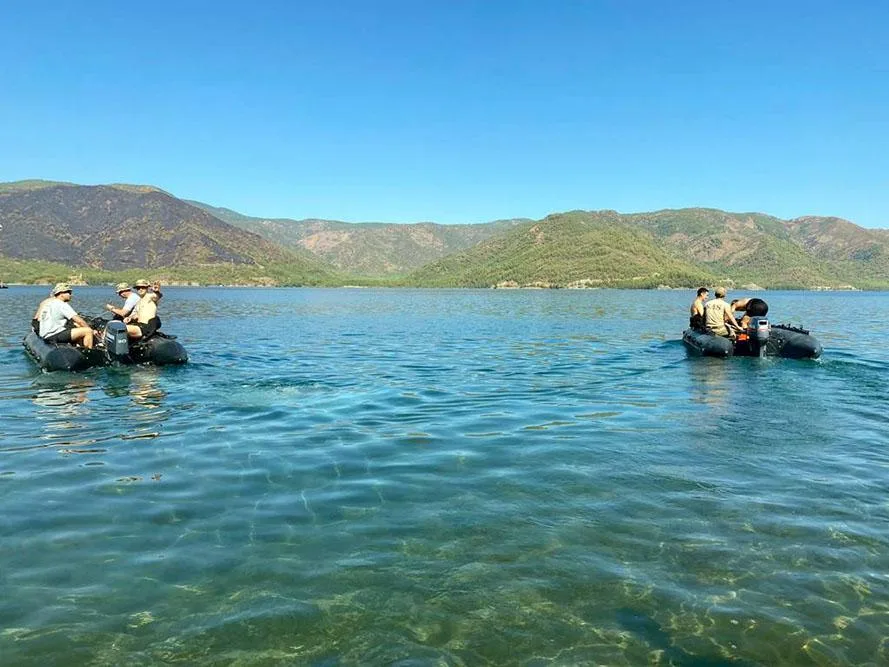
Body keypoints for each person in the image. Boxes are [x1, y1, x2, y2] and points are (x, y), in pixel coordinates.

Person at [38, 283, 97, 349]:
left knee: (78, 328)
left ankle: (78, 347)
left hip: (45, 335)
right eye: (68, 292)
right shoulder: (62, 304)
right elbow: (79, 321)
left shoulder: (48, 303)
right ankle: (88, 352)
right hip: (54, 335)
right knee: (87, 331)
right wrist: (92, 331)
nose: (70, 295)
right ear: (61, 294)